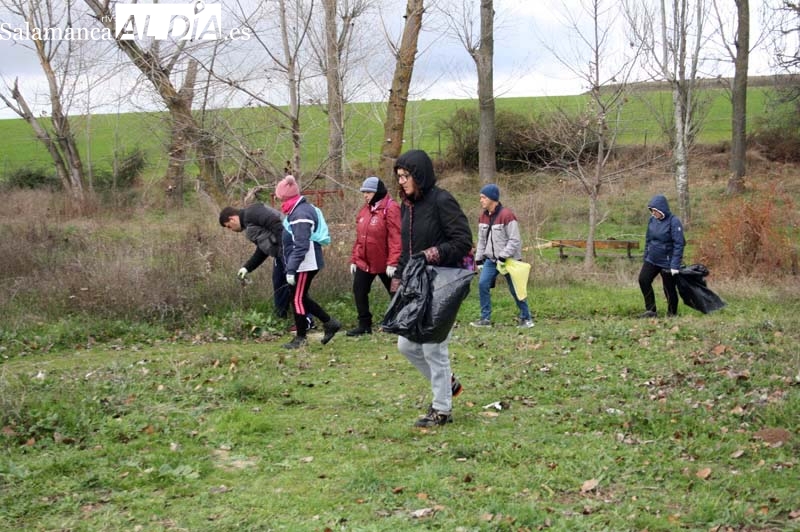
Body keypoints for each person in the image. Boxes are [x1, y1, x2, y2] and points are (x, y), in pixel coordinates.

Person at [390, 149, 473, 428]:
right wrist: (398, 280)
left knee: (433, 349)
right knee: (406, 345)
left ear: (420, 175)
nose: (401, 182)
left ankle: (442, 410)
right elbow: (407, 251)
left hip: (443, 284)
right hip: (416, 287)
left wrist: (432, 253)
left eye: (406, 176)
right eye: (399, 177)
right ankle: (448, 385)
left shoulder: (442, 200)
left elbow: (463, 242)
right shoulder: (407, 207)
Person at [275, 175, 341, 349]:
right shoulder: (297, 209)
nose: (279, 201)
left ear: (286, 197)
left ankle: (301, 338)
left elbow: (302, 245)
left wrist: (291, 269)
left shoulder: (301, 214)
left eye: (280, 197)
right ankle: (330, 322)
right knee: (300, 297)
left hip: (305, 262)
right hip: (302, 262)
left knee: (296, 298)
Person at [470, 184, 534, 329]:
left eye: (483, 197)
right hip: (491, 260)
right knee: (482, 284)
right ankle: (485, 319)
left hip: (509, 261)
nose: (480, 200)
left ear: (493, 198)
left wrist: (503, 256)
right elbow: (482, 240)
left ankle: (527, 318)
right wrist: (478, 259)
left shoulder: (507, 215)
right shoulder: (482, 217)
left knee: (515, 289)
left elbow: (515, 240)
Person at [219, 203, 294, 320]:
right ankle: (281, 318)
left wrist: (286, 254)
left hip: (290, 250)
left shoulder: (252, 212)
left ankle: (306, 321)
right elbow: (263, 250)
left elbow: (277, 225)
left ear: (232, 219)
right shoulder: (249, 227)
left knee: (296, 286)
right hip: (280, 255)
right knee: (279, 283)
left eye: (229, 226)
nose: (231, 230)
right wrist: (247, 267)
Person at [348, 176, 402, 336]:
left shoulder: (391, 208)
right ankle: (364, 325)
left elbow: (396, 237)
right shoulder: (365, 210)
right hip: (365, 261)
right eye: (364, 192)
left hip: (386, 263)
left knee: (396, 292)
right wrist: (354, 259)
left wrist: (393, 262)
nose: (365, 195)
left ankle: (399, 322)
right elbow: (359, 237)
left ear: (377, 192)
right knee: (359, 290)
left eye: (369, 192)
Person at [639, 194, 685, 318]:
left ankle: (672, 313)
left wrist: (675, 265)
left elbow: (679, 244)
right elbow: (648, 239)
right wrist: (646, 256)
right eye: (652, 211)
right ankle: (651, 310)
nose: (653, 213)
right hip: (652, 259)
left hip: (667, 262)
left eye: (655, 211)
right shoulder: (652, 220)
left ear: (662, 209)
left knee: (669, 289)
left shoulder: (674, 221)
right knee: (643, 280)